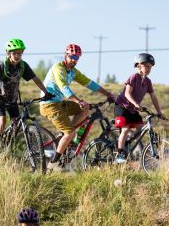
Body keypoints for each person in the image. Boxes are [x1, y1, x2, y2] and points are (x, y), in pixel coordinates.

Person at [39, 43, 115, 172]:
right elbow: (64, 87)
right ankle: (53, 163)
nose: (74, 60)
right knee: (70, 132)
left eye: (77, 58)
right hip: (49, 105)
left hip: (60, 103)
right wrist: (78, 101)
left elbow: (89, 83)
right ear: (66, 55)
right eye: (72, 56)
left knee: (84, 109)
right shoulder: (58, 68)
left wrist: (108, 94)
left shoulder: (73, 72)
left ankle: (68, 140)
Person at [0, 39, 52, 152]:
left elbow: (36, 80)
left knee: (16, 123)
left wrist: (46, 92)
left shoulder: (23, 66)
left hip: (12, 99)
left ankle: (8, 146)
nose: (18, 56)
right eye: (15, 53)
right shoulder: (3, 66)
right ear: (9, 53)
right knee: (2, 120)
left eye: (20, 53)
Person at [114, 53, 165, 164]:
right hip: (122, 106)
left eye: (150, 67)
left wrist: (159, 112)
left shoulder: (148, 82)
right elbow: (127, 94)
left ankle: (128, 142)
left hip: (132, 109)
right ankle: (120, 153)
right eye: (146, 66)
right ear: (138, 66)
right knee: (125, 129)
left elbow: (153, 97)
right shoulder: (134, 77)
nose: (148, 69)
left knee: (141, 129)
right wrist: (136, 104)